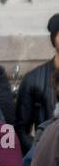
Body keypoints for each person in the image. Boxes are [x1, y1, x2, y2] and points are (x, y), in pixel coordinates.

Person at [13, 13, 59, 153]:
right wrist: (39, 151)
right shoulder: (34, 79)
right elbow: (21, 129)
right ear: (54, 39)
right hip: (48, 158)